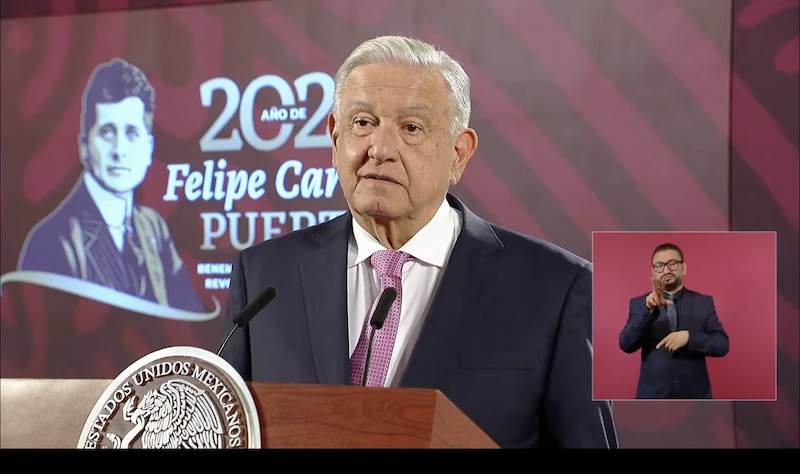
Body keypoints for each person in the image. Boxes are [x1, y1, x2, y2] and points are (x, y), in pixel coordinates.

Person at [219, 35, 617, 448]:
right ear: (336, 138)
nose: (380, 148)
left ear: (459, 153)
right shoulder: (265, 275)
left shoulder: (555, 290)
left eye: (411, 128)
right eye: (362, 123)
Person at [17, 58, 204, 312]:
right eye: (107, 132)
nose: (119, 150)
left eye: (131, 133)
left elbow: (189, 323)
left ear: (149, 149)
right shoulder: (53, 242)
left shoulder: (154, 229)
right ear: (84, 145)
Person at [619, 242, 729, 399]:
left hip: (696, 399)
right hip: (653, 399)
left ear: (683, 268)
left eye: (672, 264)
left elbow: (722, 345)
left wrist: (690, 338)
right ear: (653, 272)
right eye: (659, 265)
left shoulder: (703, 302)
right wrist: (648, 310)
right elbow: (626, 344)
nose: (666, 270)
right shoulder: (639, 304)